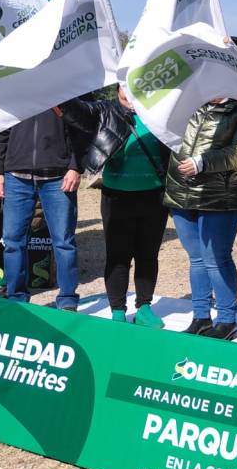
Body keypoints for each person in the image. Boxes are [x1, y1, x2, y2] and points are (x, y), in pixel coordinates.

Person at [59, 88, 170, 327]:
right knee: (118, 256)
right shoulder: (105, 110)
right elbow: (79, 112)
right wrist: (62, 93)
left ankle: (144, 307)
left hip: (153, 194)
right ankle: (117, 310)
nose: (128, 92)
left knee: (147, 255)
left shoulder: (158, 112)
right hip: (117, 197)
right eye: (123, 86)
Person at [165, 98, 237, 340]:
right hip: (181, 193)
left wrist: (202, 162)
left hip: (220, 196)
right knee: (196, 259)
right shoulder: (187, 105)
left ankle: (227, 320)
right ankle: (201, 317)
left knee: (216, 259)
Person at [0, 110, 84, 310]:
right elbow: (0, 130)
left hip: (58, 177)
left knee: (64, 242)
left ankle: (68, 300)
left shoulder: (68, 86)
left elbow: (82, 129)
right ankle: (16, 299)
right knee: (13, 242)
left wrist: (75, 167)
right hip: (16, 177)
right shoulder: (13, 88)